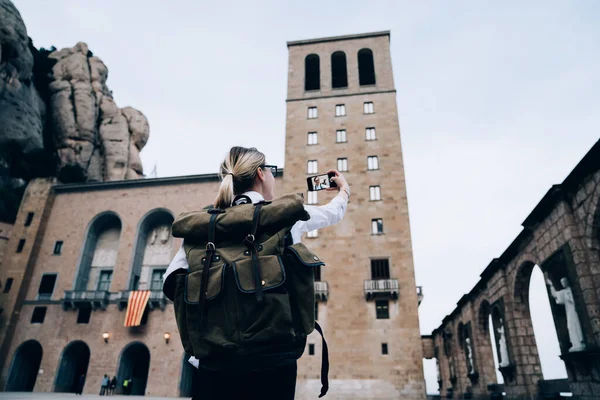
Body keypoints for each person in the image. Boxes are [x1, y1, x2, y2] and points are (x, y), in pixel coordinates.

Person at [163, 146, 350, 400]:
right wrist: (343, 189)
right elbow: (333, 212)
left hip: (214, 364)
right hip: (275, 362)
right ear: (261, 174)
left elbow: (171, 282)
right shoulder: (284, 218)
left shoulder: (202, 228)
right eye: (271, 171)